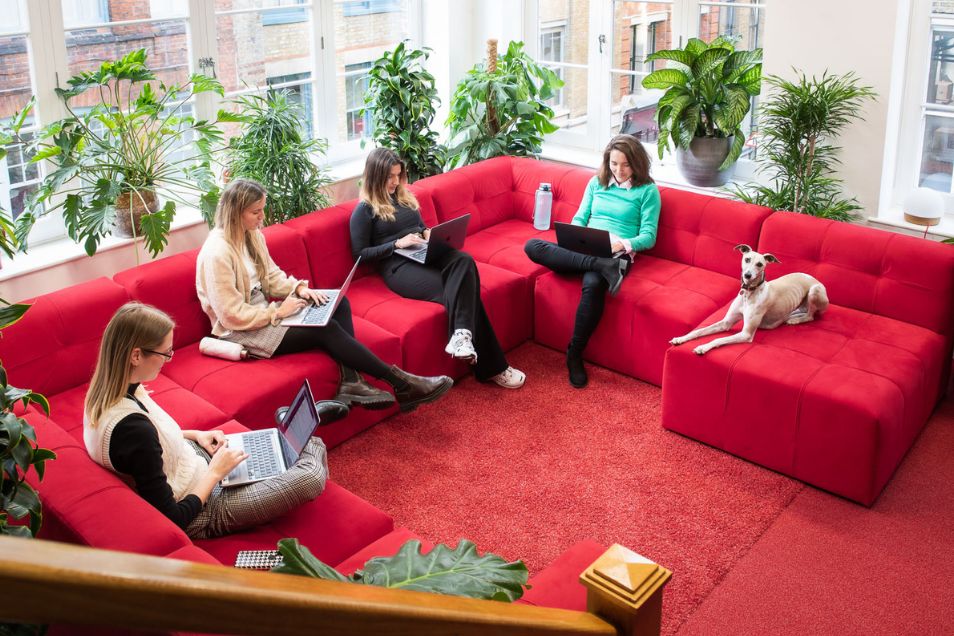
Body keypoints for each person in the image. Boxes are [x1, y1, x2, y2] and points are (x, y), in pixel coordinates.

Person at [195, 178, 453, 414]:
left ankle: (352, 382)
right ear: (234, 214)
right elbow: (230, 315)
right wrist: (277, 313)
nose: (262, 218)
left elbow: (271, 277)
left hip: (264, 312)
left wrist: (299, 289)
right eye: (255, 212)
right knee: (324, 328)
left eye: (262, 209)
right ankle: (402, 383)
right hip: (243, 330)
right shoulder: (217, 253)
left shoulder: (251, 236)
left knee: (336, 303)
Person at [83, 302, 332, 538]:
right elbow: (173, 518)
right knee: (311, 473)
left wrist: (196, 436)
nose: (169, 359)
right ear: (135, 356)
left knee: (277, 448)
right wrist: (215, 473)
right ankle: (295, 427)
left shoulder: (106, 394)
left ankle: (290, 430)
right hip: (205, 507)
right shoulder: (132, 429)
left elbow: (146, 445)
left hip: (194, 460)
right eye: (165, 353)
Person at [350, 148, 525, 389]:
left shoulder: (405, 197)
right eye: (389, 176)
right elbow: (360, 254)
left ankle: (462, 337)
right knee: (465, 293)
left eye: (398, 175)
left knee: (463, 260)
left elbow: (420, 227)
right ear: (375, 176)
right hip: (398, 267)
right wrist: (396, 244)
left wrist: (430, 235)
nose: (394, 181)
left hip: (423, 252)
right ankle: (493, 367)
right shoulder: (365, 210)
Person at [524, 135, 660, 388]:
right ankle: (602, 267)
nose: (618, 170)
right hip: (586, 248)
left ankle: (574, 353)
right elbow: (580, 217)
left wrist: (622, 244)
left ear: (637, 164)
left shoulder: (647, 192)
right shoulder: (596, 183)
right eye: (613, 164)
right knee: (533, 245)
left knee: (593, 284)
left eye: (625, 165)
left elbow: (648, 236)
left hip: (616, 252)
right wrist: (575, 235)